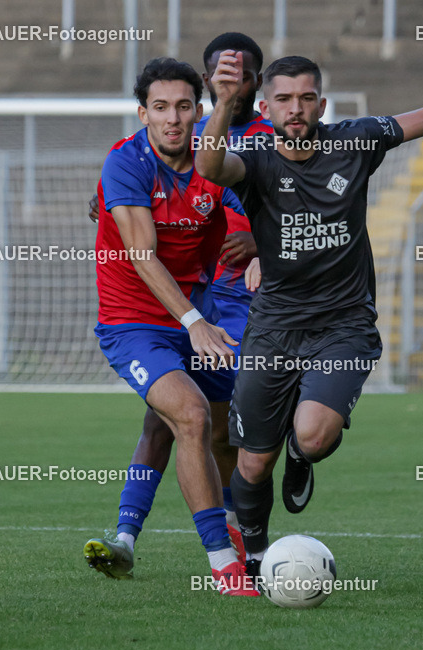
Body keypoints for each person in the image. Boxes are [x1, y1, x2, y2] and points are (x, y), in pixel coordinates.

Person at [196, 51, 423, 574]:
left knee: (313, 436)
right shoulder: (256, 158)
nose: (296, 108)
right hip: (274, 328)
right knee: (253, 461)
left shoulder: (353, 142)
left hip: (345, 324)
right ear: (266, 108)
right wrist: (223, 103)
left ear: (322, 105)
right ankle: (260, 554)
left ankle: (302, 453)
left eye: (306, 98)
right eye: (284, 99)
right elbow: (209, 167)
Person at [83, 32, 270, 573]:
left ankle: (237, 533)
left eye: (183, 107)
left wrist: (265, 247)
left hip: (199, 312)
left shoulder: (216, 163)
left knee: (239, 420)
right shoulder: (126, 162)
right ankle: (223, 562)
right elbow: (142, 254)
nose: (172, 119)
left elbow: (273, 210)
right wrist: (193, 322)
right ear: (143, 113)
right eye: (160, 108)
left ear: (199, 110)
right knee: (188, 415)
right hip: (135, 323)